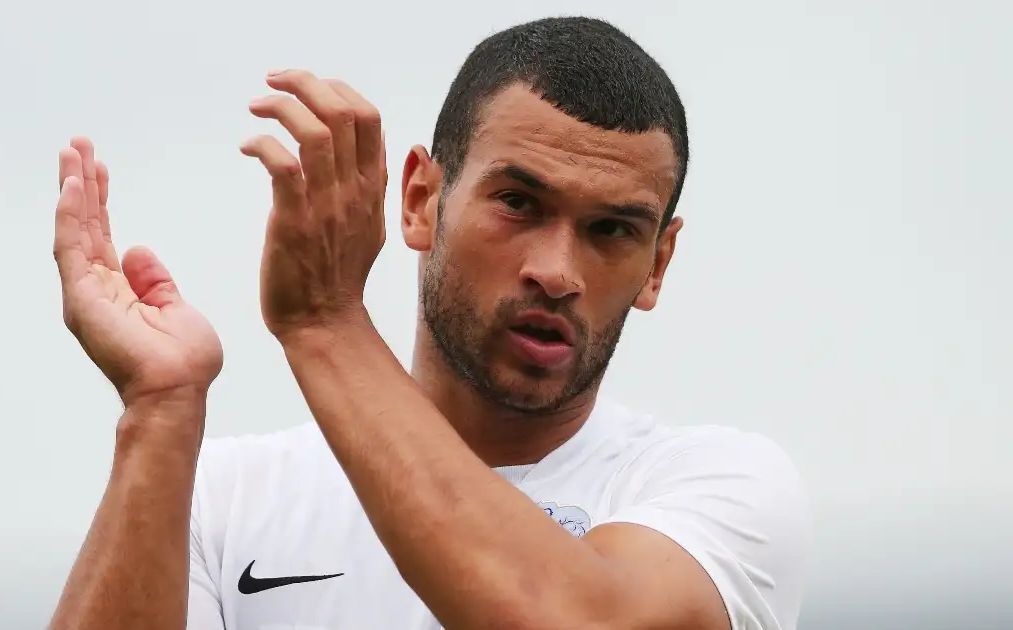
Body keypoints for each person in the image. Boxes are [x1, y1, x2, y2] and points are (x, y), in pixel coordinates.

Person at [46, 16, 811, 630]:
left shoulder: (718, 489)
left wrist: (326, 323)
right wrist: (160, 411)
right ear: (420, 200)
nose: (557, 271)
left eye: (612, 229)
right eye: (518, 203)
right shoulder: (227, 497)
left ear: (658, 263)